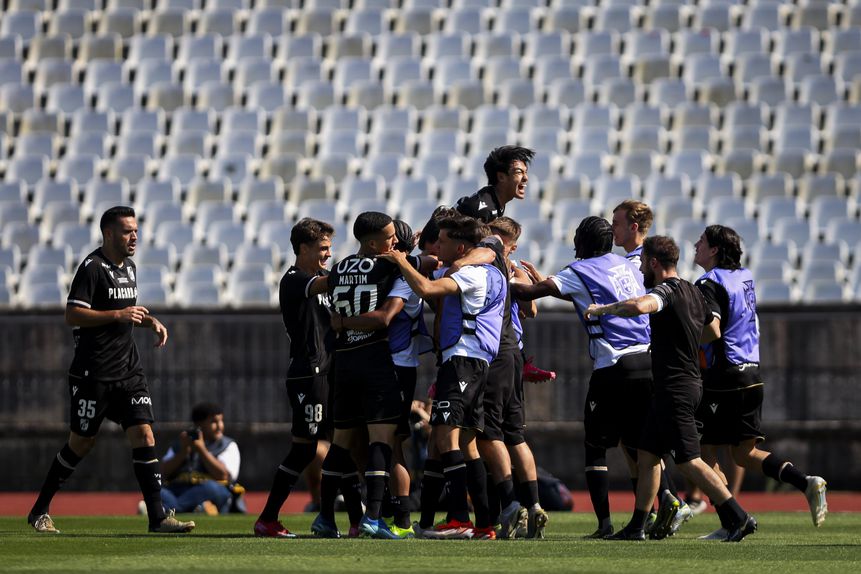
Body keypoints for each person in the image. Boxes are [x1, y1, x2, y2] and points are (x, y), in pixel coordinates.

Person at [27, 206, 194, 534]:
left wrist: (151, 321)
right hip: (93, 375)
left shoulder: (130, 268)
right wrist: (116, 316)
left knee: (144, 434)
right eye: (127, 231)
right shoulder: (91, 268)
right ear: (108, 234)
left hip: (128, 372)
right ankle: (39, 509)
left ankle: (158, 517)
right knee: (81, 443)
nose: (135, 237)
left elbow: (127, 311)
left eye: (135, 230)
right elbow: (73, 314)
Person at [585, 236, 757, 542]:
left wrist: (603, 309)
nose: (640, 272)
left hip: (675, 388)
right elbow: (710, 329)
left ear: (653, 263)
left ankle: (739, 517)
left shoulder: (665, 290)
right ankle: (637, 527)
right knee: (647, 454)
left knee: (688, 460)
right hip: (680, 383)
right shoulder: (694, 289)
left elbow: (640, 305)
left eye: (642, 265)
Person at [511, 216, 653, 539]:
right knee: (639, 446)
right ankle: (645, 521)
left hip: (613, 365)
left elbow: (532, 293)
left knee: (595, 446)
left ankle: (604, 524)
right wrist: (548, 280)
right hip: (647, 361)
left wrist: (502, 278)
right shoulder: (626, 264)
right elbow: (587, 294)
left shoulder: (579, 270)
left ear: (585, 241)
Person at [693, 225, 827, 538]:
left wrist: (682, 341)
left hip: (723, 377)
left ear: (714, 250)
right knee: (743, 455)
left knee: (698, 453)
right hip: (752, 376)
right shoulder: (745, 277)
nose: (695, 245)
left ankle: (731, 521)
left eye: (701, 241)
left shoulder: (708, 282)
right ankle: (805, 482)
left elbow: (712, 330)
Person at [380, 215, 507, 540]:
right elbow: (430, 274)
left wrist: (397, 258)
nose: (439, 247)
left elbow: (425, 287)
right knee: (466, 443)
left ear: (462, 247)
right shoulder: (480, 270)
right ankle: (483, 525)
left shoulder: (472, 275)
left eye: (445, 242)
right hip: (472, 363)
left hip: (462, 362)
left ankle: (460, 520)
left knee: (446, 439)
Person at [311, 211, 435, 540]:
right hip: (376, 361)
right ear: (372, 242)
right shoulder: (388, 267)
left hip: (343, 361)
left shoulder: (338, 268)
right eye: (389, 237)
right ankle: (375, 516)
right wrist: (408, 254)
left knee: (341, 444)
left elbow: (316, 289)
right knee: (383, 441)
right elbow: (429, 264)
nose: (394, 242)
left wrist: (338, 322)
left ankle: (324, 517)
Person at [254, 218, 341, 538]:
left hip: (328, 373)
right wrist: (363, 268)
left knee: (340, 446)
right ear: (302, 248)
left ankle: (340, 519)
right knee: (304, 449)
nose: (328, 255)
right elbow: (326, 285)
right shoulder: (294, 280)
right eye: (322, 248)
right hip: (308, 374)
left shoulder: (318, 278)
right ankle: (268, 518)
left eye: (330, 249)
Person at [160, 402, 241, 515]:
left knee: (211, 488)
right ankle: (197, 509)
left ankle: (170, 510)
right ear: (199, 424)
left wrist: (202, 450)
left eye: (221, 421)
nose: (219, 426)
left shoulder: (228, 445)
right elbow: (163, 473)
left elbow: (224, 476)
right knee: (159, 492)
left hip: (210, 489)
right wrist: (183, 452)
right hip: (180, 489)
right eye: (214, 422)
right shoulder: (181, 443)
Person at [455, 145, 535, 223]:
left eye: (525, 172)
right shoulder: (482, 211)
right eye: (519, 172)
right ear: (501, 177)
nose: (526, 178)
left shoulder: (494, 199)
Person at [611, 199, 653, 266]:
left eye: (616, 224)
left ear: (633, 227)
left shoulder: (636, 264)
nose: (611, 228)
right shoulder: (649, 257)